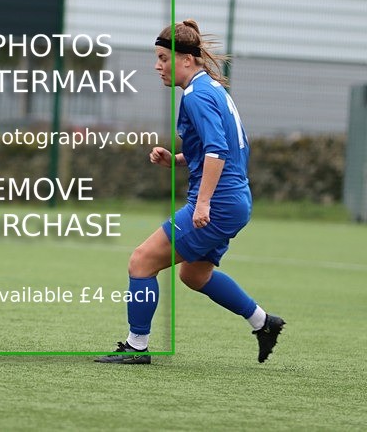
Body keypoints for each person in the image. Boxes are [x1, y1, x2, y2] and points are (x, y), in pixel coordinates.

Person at [96, 19, 284, 364]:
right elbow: (223, 146)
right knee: (194, 275)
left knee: (141, 261)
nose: (157, 66)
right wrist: (177, 160)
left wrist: (203, 203)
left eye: (163, 58)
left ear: (186, 59)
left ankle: (136, 347)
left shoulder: (197, 96)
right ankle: (263, 322)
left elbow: (217, 151)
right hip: (235, 199)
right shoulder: (211, 88)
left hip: (220, 202)